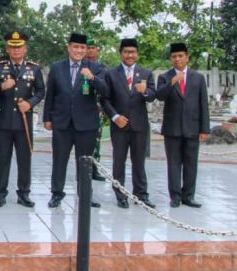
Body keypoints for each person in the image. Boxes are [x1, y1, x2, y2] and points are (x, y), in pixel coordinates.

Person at [43, 32, 108, 208]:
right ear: (69, 47)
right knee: (59, 160)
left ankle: (85, 194)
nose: (79, 50)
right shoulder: (57, 67)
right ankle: (57, 194)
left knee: (85, 161)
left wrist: (92, 78)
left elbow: (106, 91)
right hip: (62, 122)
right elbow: (51, 94)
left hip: (86, 124)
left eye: (82, 47)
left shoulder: (95, 67)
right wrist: (47, 118)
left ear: (86, 49)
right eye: (76, 47)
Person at [0, 31, 45, 208]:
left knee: (24, 159)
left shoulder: (34, 68)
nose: (16, 50)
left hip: (23, 122)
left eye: (19, 47)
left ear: (25, 49)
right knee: (2, 159)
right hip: (4, 122)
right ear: (7, 49)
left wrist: (30, 103)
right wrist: (1, 86)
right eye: (12, 47)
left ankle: (24, 194)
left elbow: (41, 91)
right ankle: (0, 193)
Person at [102, 38, 156, 209]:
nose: (129, 55)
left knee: (139, 162)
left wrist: (145, 92)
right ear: (121, 54)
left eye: (132, 52)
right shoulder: (111, 74)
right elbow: (104, 99)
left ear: (137, 54)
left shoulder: (146, 73)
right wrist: (115, 116)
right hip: (120, 125)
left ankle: (141, 194)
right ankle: (120, 194)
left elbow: (153, 95)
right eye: (126, 52)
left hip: (139, 126)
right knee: (119, 161)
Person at [155, 42, 210, 208]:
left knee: (191, 163)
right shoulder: (165, 77)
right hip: (172, 129)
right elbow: (160, 96)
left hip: (193, 128)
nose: (177, 59)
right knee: (173, 163)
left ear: (187, 57)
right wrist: (172, 83)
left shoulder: (198, 78)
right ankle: (175, 196)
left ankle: (189, 196)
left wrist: (204, 128)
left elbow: (203, 105)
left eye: (180, 56)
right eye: (174, 56)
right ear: (171, 58)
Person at [85, 38, 107, 182]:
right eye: (88, 47)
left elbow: (104, 86)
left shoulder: (101, 67)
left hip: (96, 106)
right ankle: (85, 169)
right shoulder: (81, 64)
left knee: (96, 141)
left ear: (97, 50)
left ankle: (94, 169)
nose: (90, 50)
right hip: (82, 107)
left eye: (93, 48)